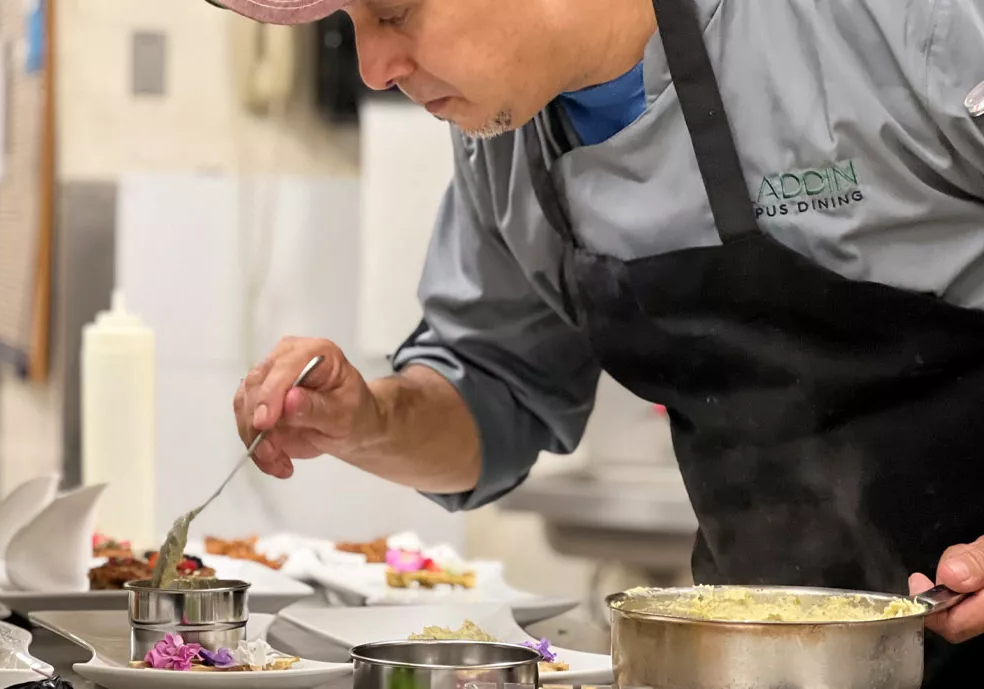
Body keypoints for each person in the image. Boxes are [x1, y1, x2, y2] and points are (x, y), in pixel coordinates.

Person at [224, 0, 984, 683]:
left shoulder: (899, 21)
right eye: (346, 26)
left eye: (393, 13)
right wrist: (372, 420)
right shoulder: (506, 138)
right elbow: (496, 386)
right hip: (762, 658)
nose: (373, 68)